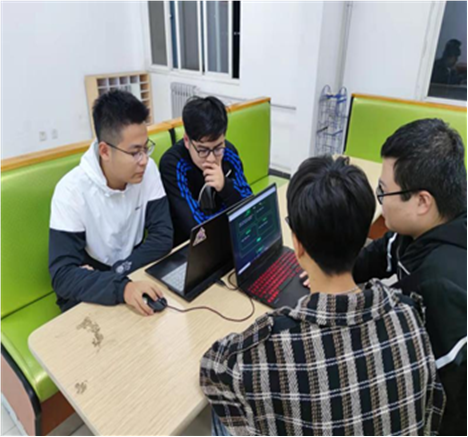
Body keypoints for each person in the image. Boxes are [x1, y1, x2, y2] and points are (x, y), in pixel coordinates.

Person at [201, 156, 446, 436]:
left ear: (297, 244)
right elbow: (433, 411)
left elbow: (211, 369)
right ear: (363, 236)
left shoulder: (267, 348)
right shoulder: (410, 316)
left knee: (222, 414)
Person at [353, 119, 467, 436]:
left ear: (421, 201)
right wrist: (335, 270)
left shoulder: (441, 285)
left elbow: (444, 399)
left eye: (384, 191)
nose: (381, 199)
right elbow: (382, 252)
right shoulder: (422, 228)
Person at [49, 90, 173, 317]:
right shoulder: (71, 190)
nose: (144, 160)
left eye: (146, 148)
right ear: (105, 151)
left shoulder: (148, 171)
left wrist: (118, 273)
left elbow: (163, 236)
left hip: (125, 273)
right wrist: (122, 287)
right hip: (95, 289)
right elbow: (63, 276)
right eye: (135, 152)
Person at [160, 96, 252, 246]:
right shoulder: (173, 164)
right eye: (202, 150)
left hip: (230, 237)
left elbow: (250, 205)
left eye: (218, 148)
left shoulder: (228, 152)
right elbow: (196, 229)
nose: (211, 158)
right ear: (187, 141)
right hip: (190, 247)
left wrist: (225, 186)